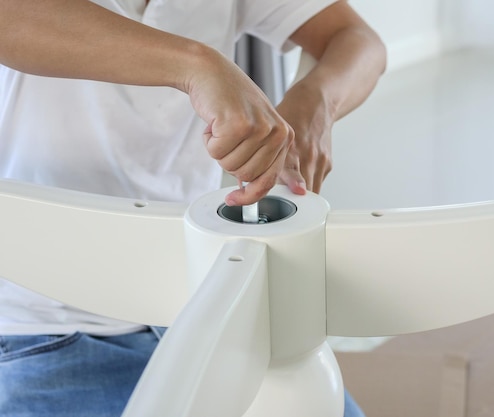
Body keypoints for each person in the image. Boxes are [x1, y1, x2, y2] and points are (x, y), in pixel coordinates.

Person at [0, 0, 386, 416]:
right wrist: (198, 64)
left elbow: (358, 40)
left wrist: (315, 104)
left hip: (195, 305)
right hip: (43, 324)